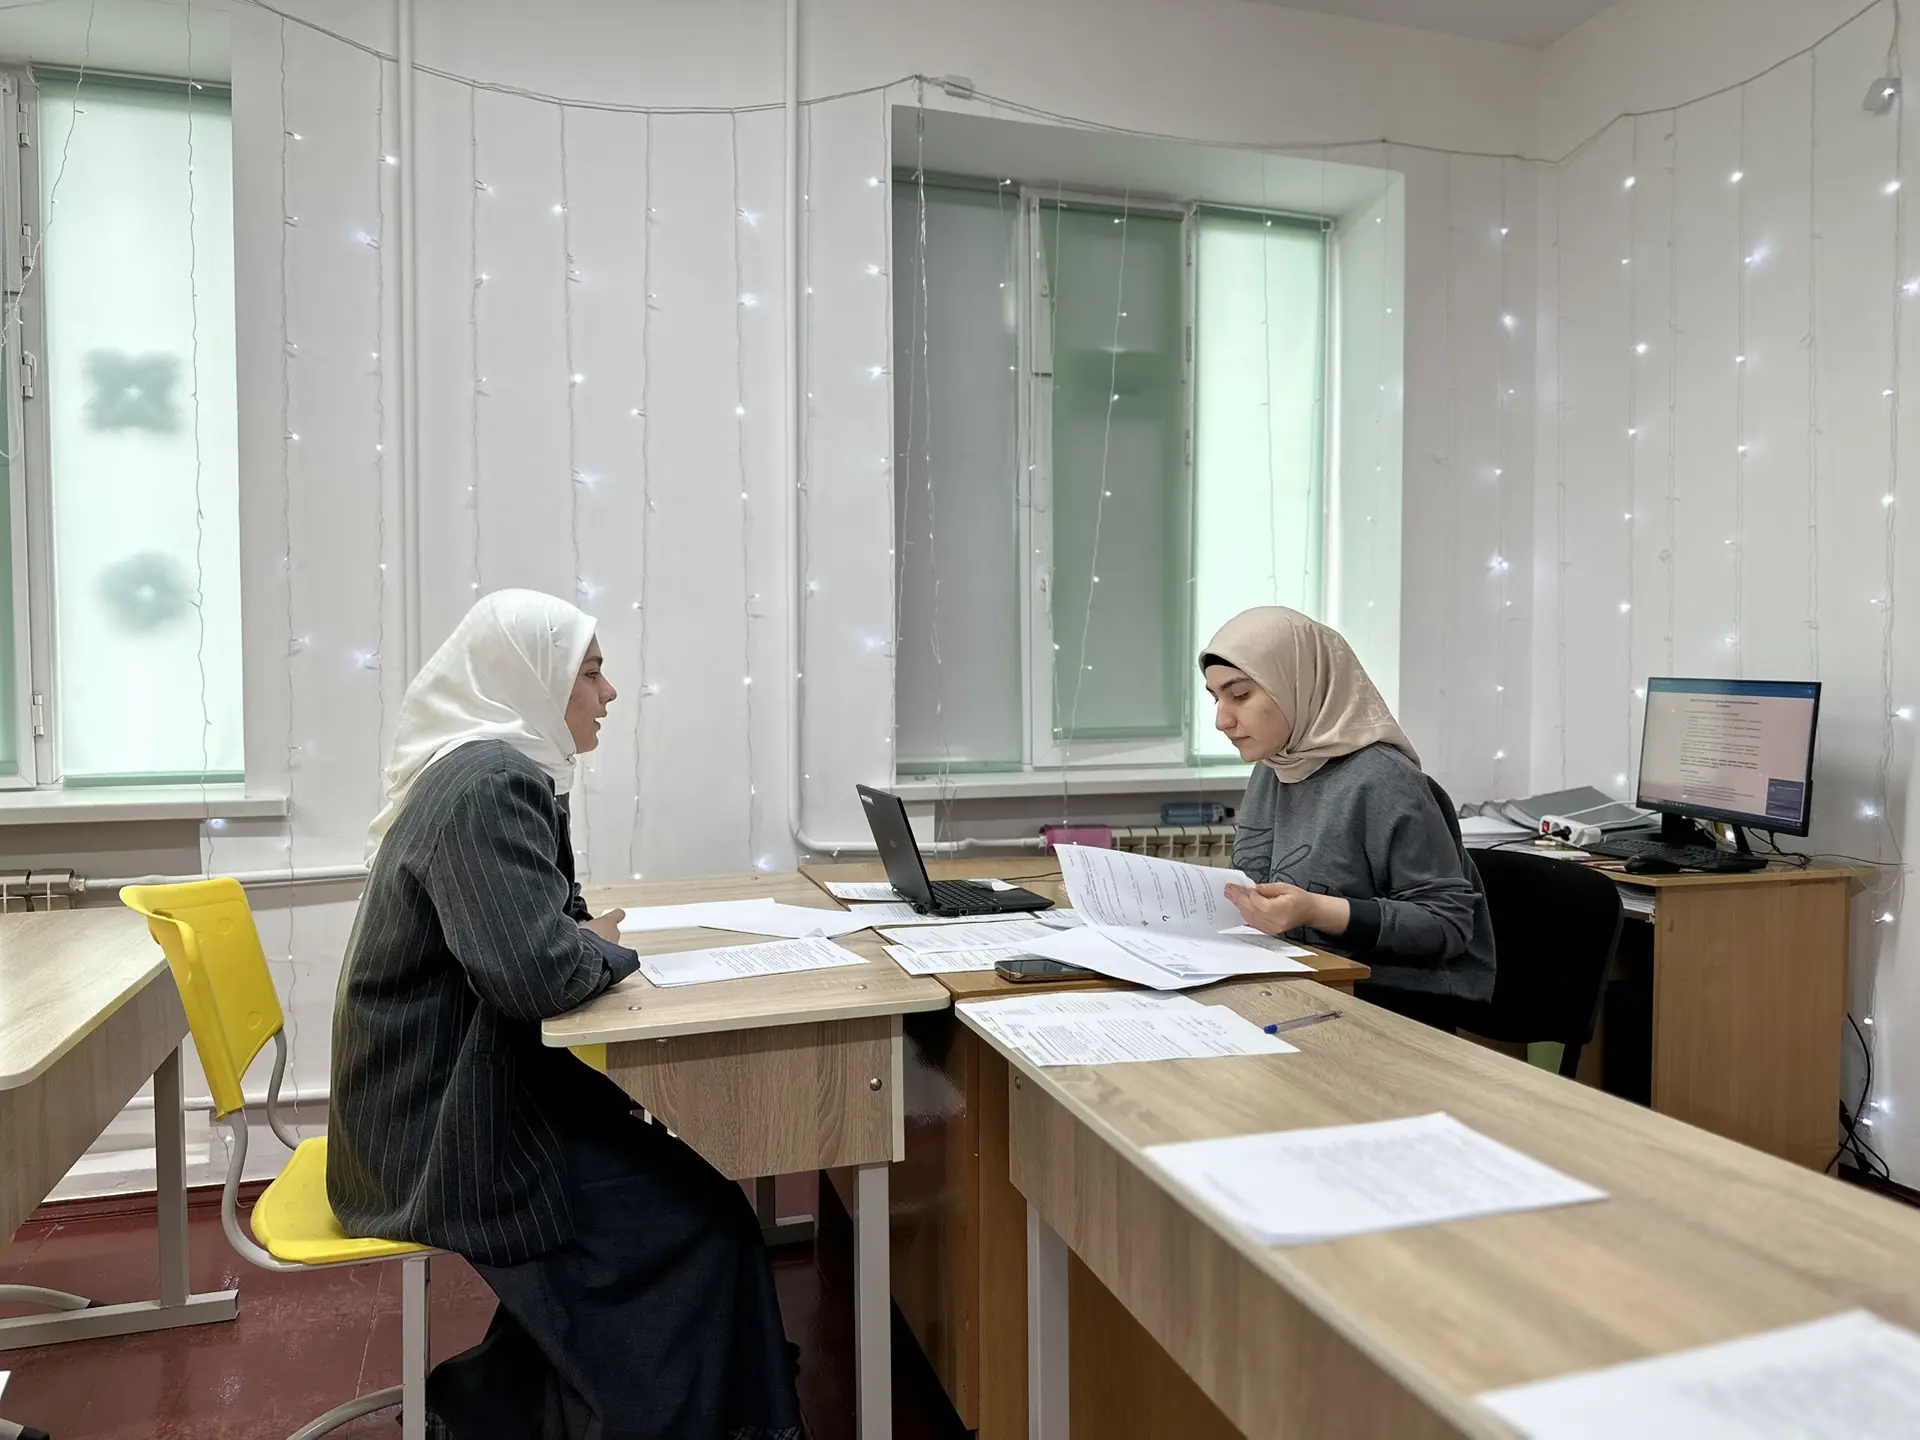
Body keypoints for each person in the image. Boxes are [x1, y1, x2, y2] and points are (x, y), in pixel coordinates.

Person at [327, 589, 802, 1440]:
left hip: (436, 1103)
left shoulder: (495, 770)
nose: (608, 693)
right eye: (590, 674)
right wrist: (605, 949)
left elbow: (547, 930)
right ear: (533, 679)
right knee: (709, 1224)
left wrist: (579, 939)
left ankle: (528, 1404)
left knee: (692, 1203)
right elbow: (536, 975)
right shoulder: (493, 783)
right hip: (440, 1137)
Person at [1201, 605, 1495, 1025]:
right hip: (1299, 985)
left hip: (1389, 1006)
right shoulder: (1274, 768)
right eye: (1216, 698)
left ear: (1298, 683)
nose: (1222, 720)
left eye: (1241, 695)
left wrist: (1314, 910)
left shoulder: (1385, 780)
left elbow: (1446, 924)